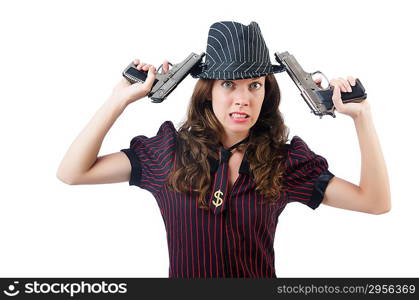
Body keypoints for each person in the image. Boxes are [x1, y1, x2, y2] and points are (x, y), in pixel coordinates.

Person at [56, 21, 391, 278]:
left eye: (254, 85)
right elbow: (73, 173)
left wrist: (362, 117)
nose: (242, 99)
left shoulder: (284, 162)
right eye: (228, 84)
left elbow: (374, 202)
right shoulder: (168, 152)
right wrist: (119, 99)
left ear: (266, 92)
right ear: (209, 92)